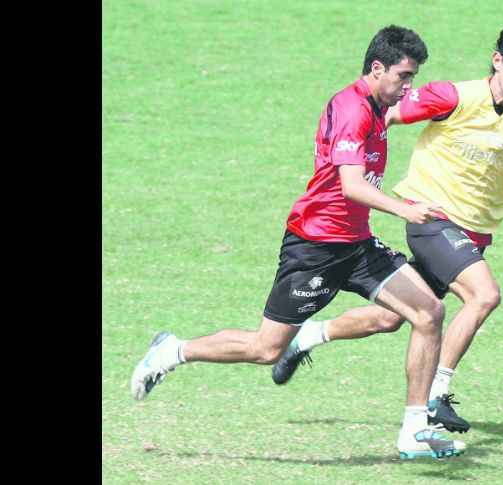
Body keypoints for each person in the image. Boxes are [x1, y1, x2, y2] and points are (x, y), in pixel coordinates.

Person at [130, 25, 467, 460]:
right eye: (404, 75)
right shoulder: (353, 110)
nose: (409, 85)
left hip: (356, 243)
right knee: (265, 349)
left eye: (413, 76)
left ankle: (414, 432)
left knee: (429, 312)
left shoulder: (379, 105)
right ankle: (172, 351)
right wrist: (405, 208)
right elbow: (350, 185)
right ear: (377, 68)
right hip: (315, 247)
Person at [271, 22, 503, 435]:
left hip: (474, 233)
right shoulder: (455, 95)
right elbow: (388, 112)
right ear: (498, 61)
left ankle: (308, 336)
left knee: (395, 318)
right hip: (431, 217)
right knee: (484, 295)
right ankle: (435, 397)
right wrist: (351, 160)